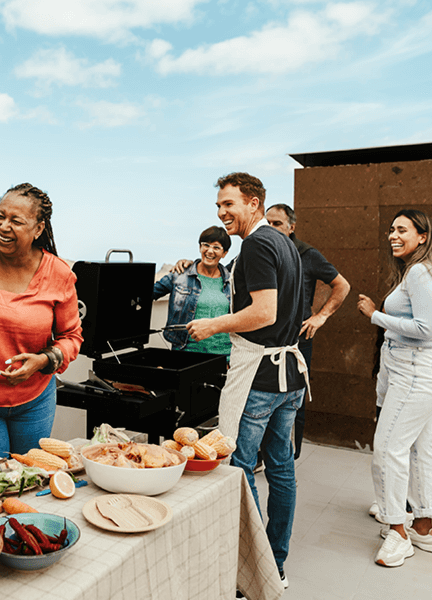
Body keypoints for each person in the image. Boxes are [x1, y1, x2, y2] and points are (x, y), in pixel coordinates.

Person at [187, 172, 307, 590]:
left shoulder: (256, 244)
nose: (222, 213)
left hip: (259, 376)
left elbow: (264, 312)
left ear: (253, 203)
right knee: (281, 468)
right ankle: (276, 564)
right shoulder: (284, 242)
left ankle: (254, 567)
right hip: (289, 378)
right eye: (219, 206)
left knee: (238, 467)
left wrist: (213, 325)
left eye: (229, 204)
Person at [0, 183, 83, 465]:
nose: (3, 226)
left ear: (38, 229)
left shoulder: (59, 274)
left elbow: (71, 336)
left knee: (30, 480)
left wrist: (42, 360)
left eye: (16, 221)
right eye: (0, 216)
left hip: (34, 403)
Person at [357, 209, 432, 567]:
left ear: (422, 236)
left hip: (413, 372)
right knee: (420, 450)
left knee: (387, 450)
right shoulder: (417, 271)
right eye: (391, 229)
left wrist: (375, 315)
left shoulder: (418, 272)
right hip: (414, 370)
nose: (393, 235)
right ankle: (423, 525)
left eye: (402, 229)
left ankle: (397, 533)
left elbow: (426, 329)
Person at [266, 203, 351, 459]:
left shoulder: (307, 254)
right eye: (267, 223)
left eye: (277, 224)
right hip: (265, 340)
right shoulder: (261, 250)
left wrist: (320, 316)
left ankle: (289, 458)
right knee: (263, 399)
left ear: (291, 227)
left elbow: (342, 285)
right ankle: (263, 455)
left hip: (297, 341)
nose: (271, 228)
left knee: (295, 400)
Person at [153, 226, 232, 356]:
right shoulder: (179, 275)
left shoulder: (231, 281)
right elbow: (147, 294)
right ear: (200, 247)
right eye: (206, 245)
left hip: (224, 355)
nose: (210, 251)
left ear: (224, 253)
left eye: (216, 247)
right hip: (186, 353)